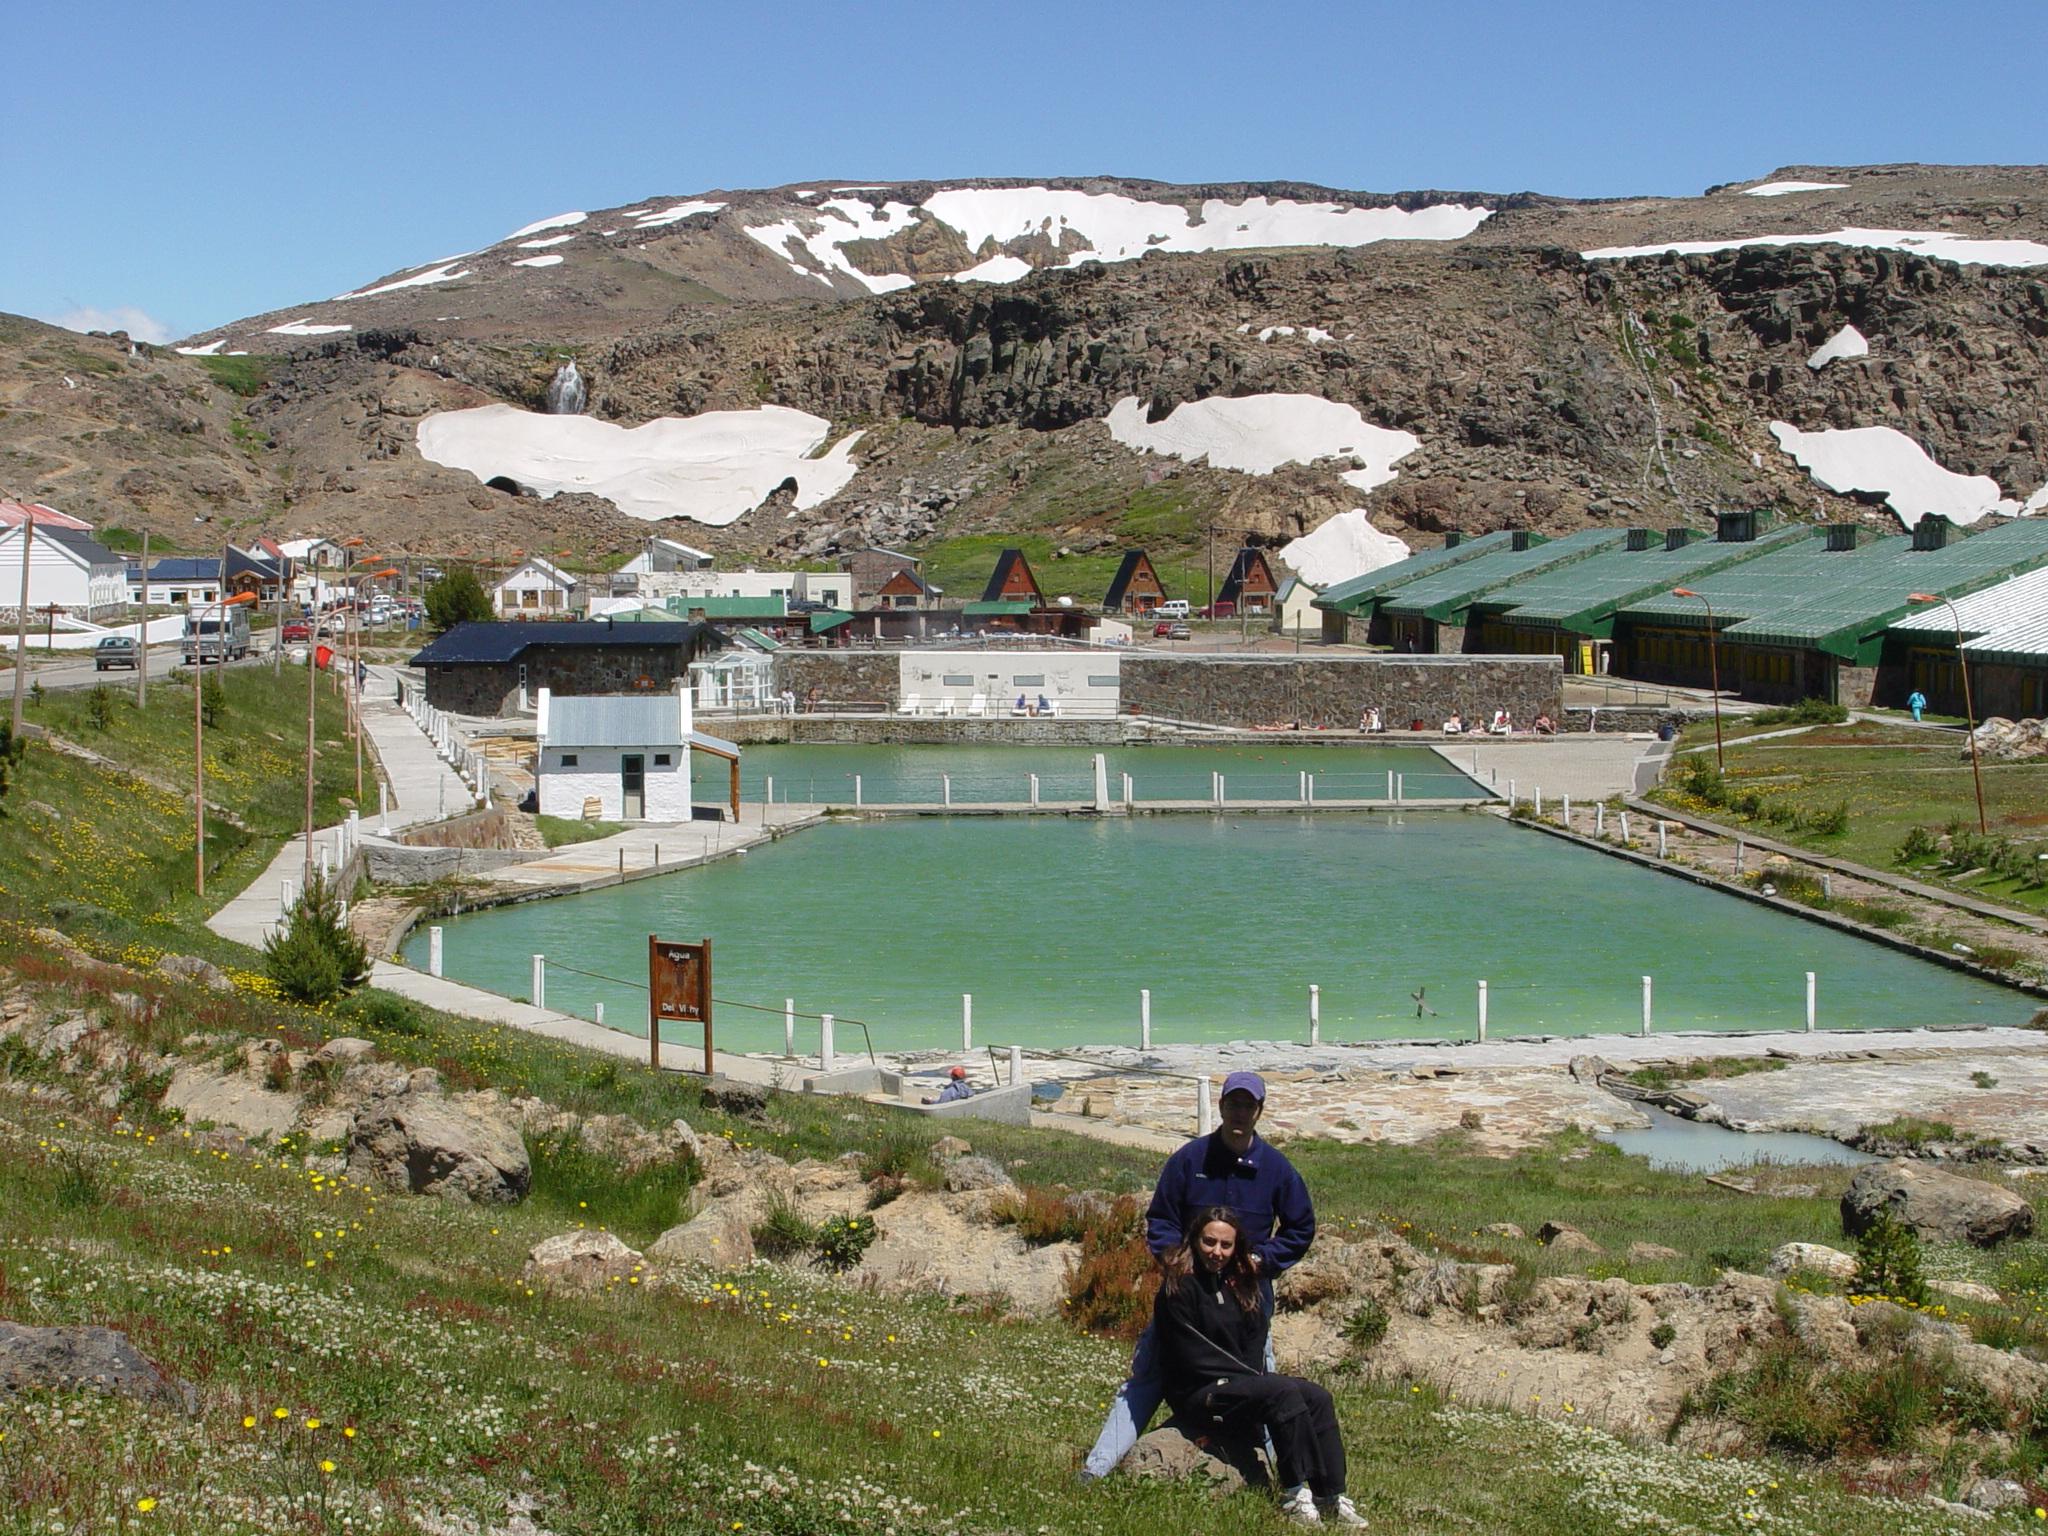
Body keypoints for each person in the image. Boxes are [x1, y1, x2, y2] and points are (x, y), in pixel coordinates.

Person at [1082, 1071, 1315, 1480]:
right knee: (1148, 1372)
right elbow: (1162, 1220)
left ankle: (1292, 1480)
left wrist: (1259, 1262)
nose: (1239, 1113)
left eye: (1248, 1105)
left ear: (1259, 1111)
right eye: (1233, 1104)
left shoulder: (1276, 1169)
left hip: (1247, 1297)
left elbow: (1300, 1228)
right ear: (1221, 1107)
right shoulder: (1189, 1161)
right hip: (1186, 1295)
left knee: (1263, 1379)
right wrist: (1177, 1263)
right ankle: (1096, 1468)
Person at [1155, 1208, 1364, 1526]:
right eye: (1209, 1242)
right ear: (1195, 1240)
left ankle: (1331, 1496)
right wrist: (1245, 1382)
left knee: (1317, 1396)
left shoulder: (1242, 1285)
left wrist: (1249, 1382)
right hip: (1200, 1392)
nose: (1217, 1252)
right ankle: (1294, 1493)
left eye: (1226, 1245)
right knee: (1278, 1391)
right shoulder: (1179, 1287)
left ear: (1236, 1246)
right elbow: (1189, 1352)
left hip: (1241, 1385)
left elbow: (1254, 1345)